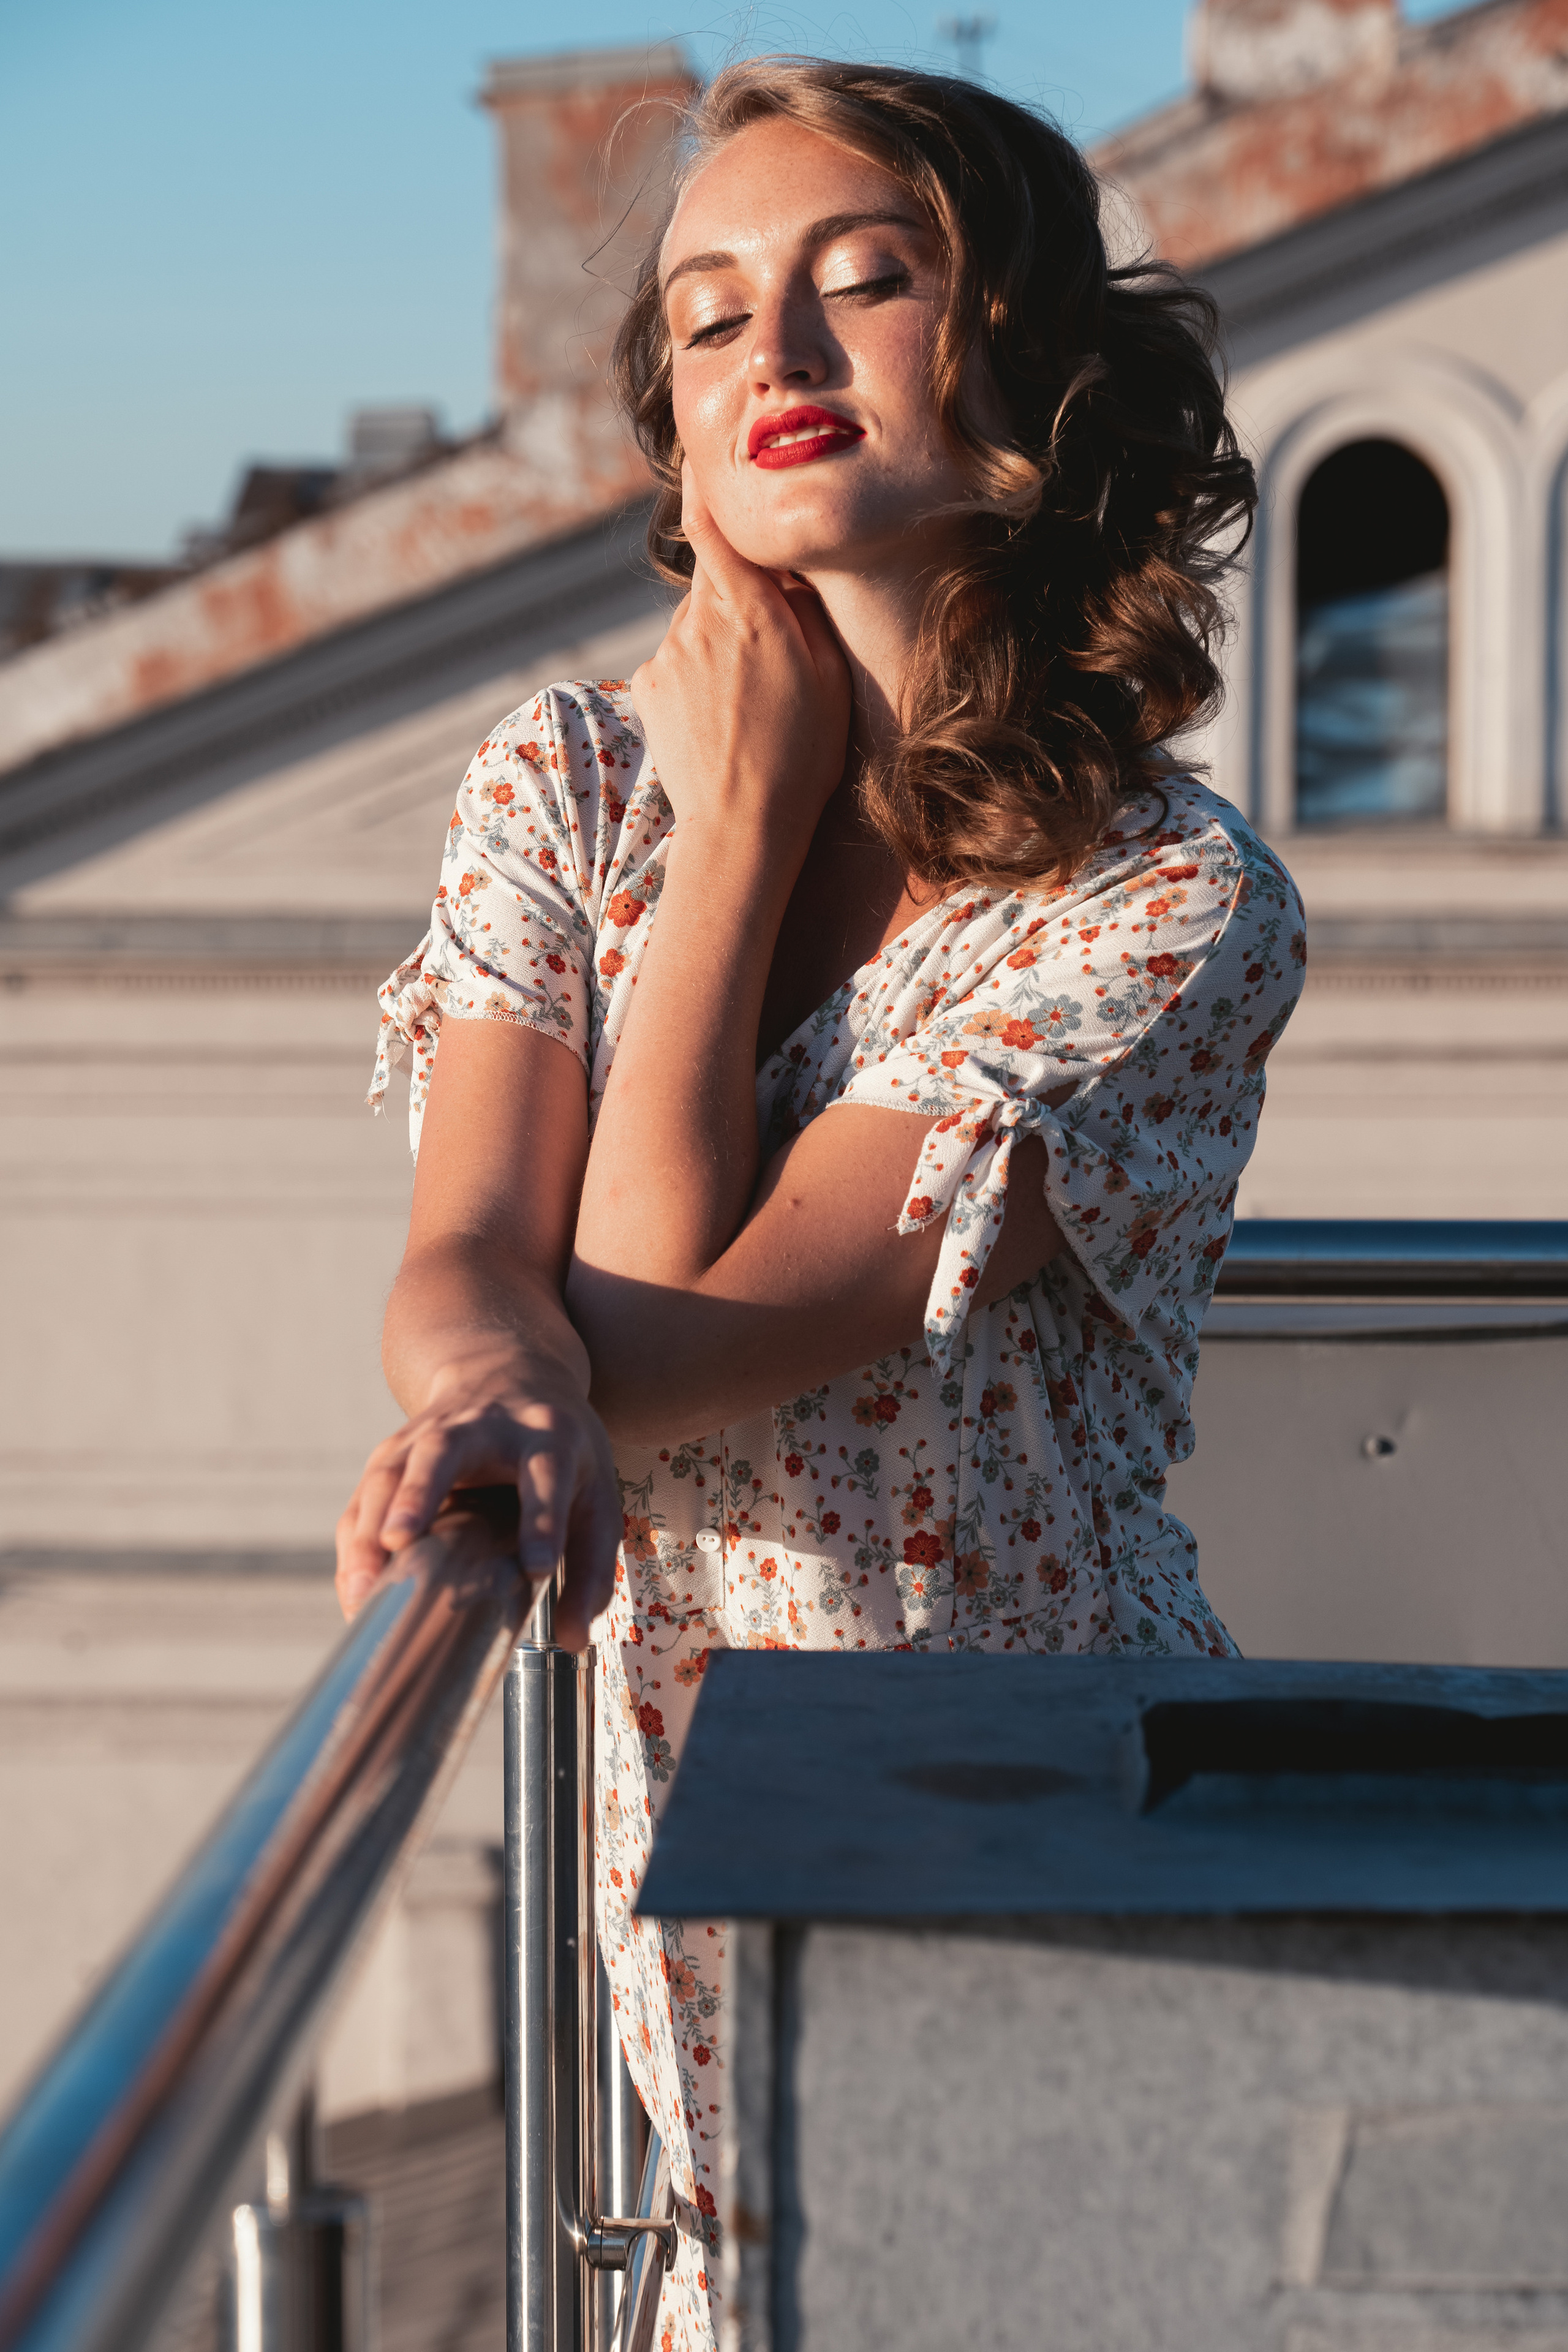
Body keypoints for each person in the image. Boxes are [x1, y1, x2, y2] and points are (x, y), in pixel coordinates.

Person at [338, 55, 1305, 2348]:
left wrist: (755, 810)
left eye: (863, 284)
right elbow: (482, 1263)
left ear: (1030, 382)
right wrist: (491, 1389)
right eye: (704, 315)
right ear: (670, 427)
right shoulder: (562, 779)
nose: (769, 353)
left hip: (1034, 1823)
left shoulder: (1160, 900)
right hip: (687, 1843)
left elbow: (681, 1316)